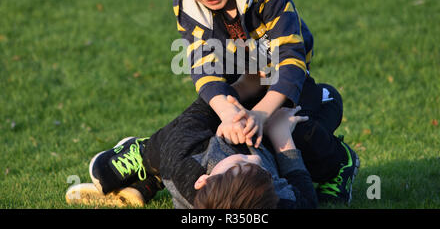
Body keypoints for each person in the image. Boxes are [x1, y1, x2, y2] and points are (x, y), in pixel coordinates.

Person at [66, 82, 359, 208]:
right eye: (263, 172)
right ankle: (341, 161)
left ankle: (147, 164)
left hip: (186, 145)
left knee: (152, 154)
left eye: (240, 163)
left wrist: (230, 116)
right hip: (270, 133)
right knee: (326, 102)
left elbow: (201, 108)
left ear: (204, 180)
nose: (250, 156)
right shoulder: (274, 198)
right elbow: (304, 195)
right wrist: (281, 135)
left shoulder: (184, 163)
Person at [159, 0, 316, 148]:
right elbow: (203, 67)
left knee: (296, 131)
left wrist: (261, 115)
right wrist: (228, 113)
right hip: (240, 76)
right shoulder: (186, 4)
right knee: (204, 120)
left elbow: (292, 57)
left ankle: (339, 163)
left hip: (282, 77)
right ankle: (148, 156)